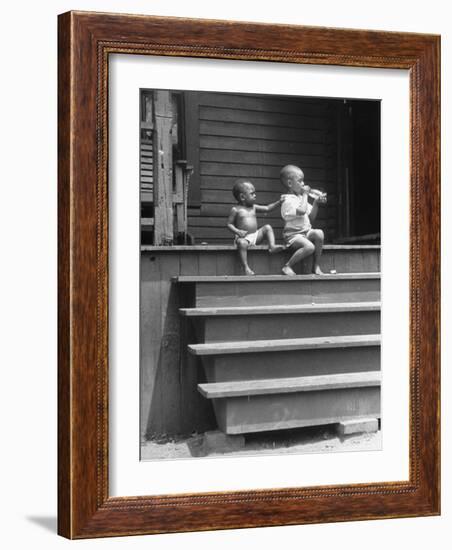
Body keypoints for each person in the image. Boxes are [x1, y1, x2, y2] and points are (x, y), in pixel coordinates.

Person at [227, 179, 285, 275]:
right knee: (241, 243)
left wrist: (279, 202)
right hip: (243, 238)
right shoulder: (236, 210)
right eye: (252, 194)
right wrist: (237, 231)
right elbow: (229, 224)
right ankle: (246, 267)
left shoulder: (254, 207)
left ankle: (272, 246)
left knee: (267, 227)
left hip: (255, 236)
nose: (255, 196)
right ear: (242, 197)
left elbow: (267, 208)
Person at [279, 165, 326, 276]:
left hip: (305, 232)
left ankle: (316, 266)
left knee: (319, 233)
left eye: (303, 181)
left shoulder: (301, 198)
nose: (303, 184)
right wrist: (305, 194)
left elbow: (311, 217)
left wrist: (316, 203)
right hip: (293, 236)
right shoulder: (288, 200)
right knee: (309, 247)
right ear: (290, 184)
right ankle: (287, 266)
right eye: (300, 181)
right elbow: (301, 211)